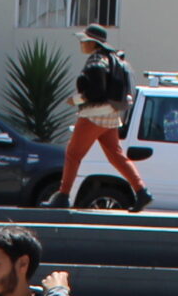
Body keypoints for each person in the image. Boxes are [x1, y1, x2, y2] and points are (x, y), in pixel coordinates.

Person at [51, 25, 151, 211]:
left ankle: (63, 196)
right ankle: (141, 190)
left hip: (94, 114)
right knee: (116, 155)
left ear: (92, 43)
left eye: (84, 40)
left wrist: (76, 99)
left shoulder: (96, 60)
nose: (81, 44)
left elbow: (96, 91)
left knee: (73, 154)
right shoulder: (113, 59)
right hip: (112, 114)